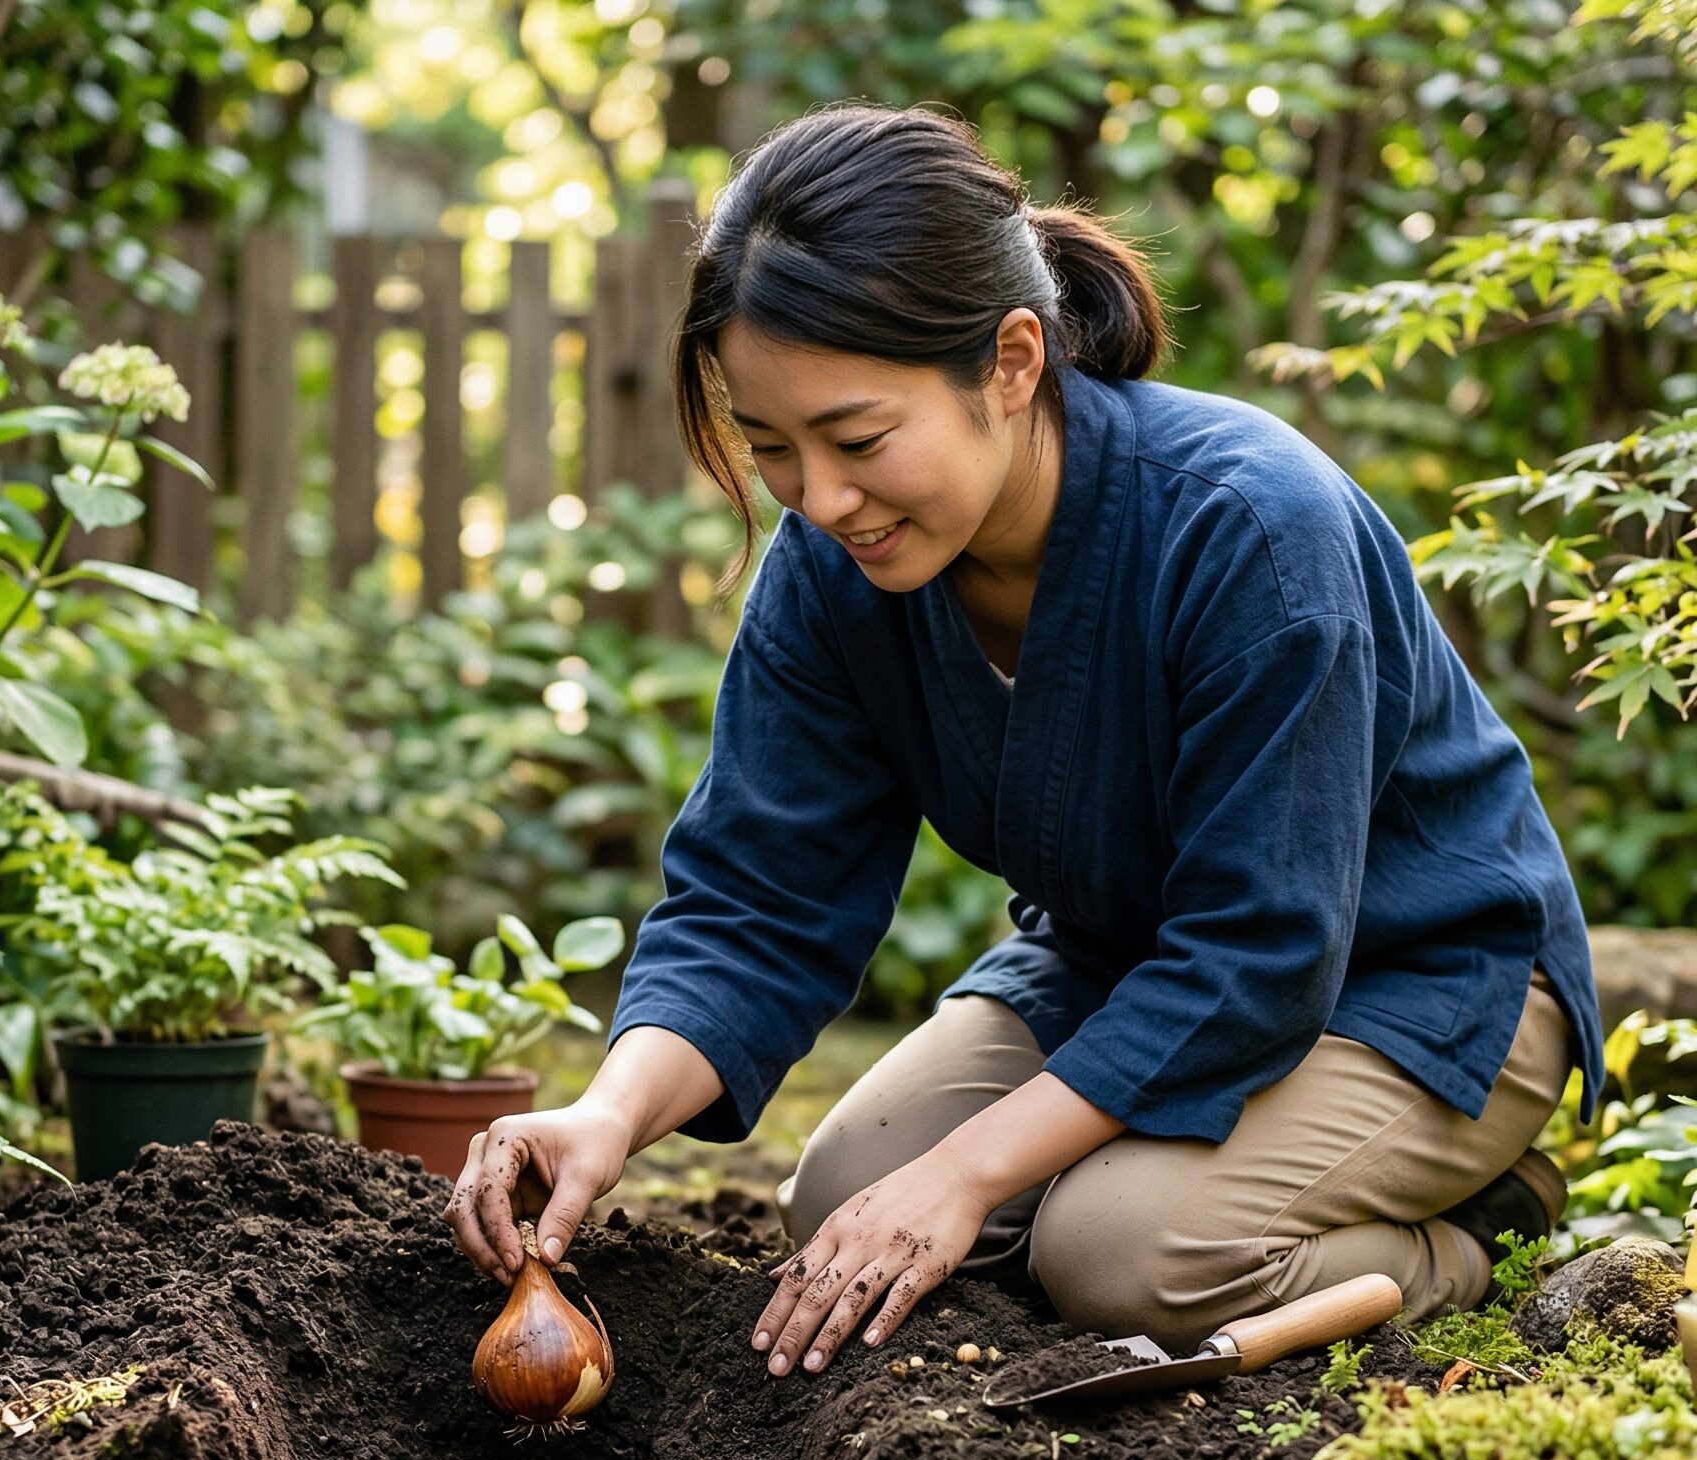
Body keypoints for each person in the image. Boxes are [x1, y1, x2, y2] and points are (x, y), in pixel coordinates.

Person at [446, 101, 1603, 1380]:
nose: (820, 499)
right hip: (1126, 967)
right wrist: (607, 1112)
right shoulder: (834, 570)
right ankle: (1160, 1171)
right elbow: (759, 898)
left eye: (858, 437)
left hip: (1418, 986)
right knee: (844, 1199)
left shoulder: (1247, 529)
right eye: (770, 446)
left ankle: (1468, 1237)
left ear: (1009, 362)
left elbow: (1257, 948)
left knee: (1120, 1252)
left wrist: (966, 1175)